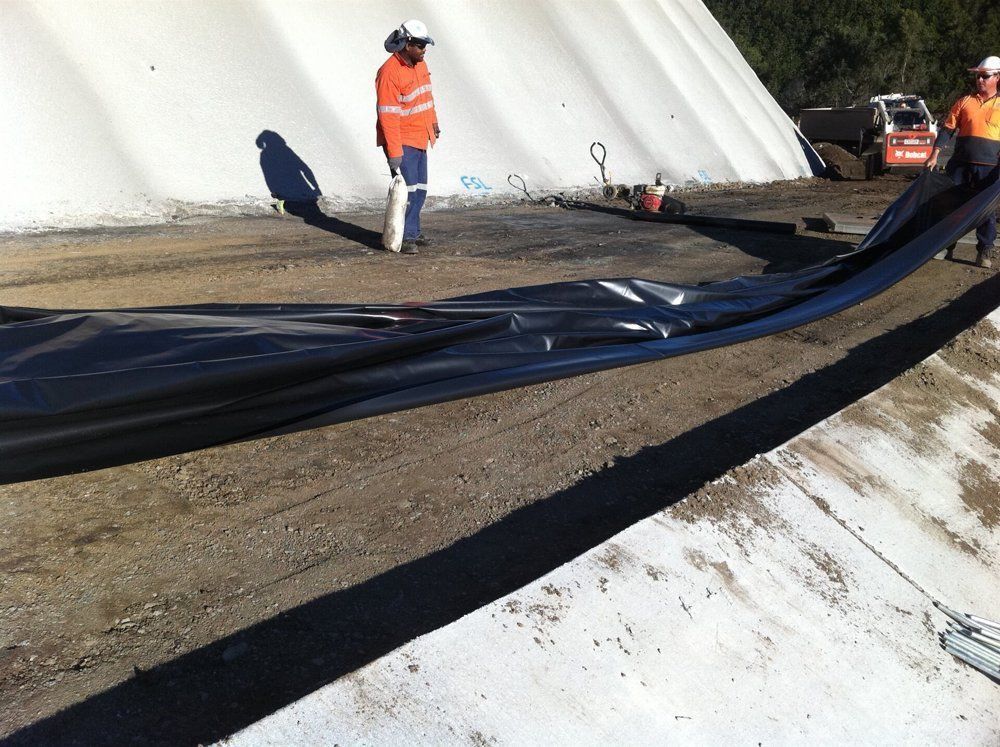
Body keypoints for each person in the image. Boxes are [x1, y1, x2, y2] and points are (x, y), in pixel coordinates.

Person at [925, 56, 1000, 269]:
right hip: (960, 164)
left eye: (985, 76)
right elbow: (948, 129)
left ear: (997, 77)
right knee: (951, 204)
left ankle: (984, 250)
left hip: (989, 168)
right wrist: (935, 153)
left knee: (986, 210)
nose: (980, 80)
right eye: (978, 76)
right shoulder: (964, 101)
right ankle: (945, 245)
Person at [376, 19, 441, 255]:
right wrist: (394, 154)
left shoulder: (420, 65)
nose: (424, 50)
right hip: (402, 141)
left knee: (420, 189)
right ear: (406, 44)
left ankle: (412, 231)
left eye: (425, 45)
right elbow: (388, 117)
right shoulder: (389, 73)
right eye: (421, 45)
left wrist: (432, 122)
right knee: (408, 192)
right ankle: (401, 237)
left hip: (420, 136)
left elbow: (427, 98)